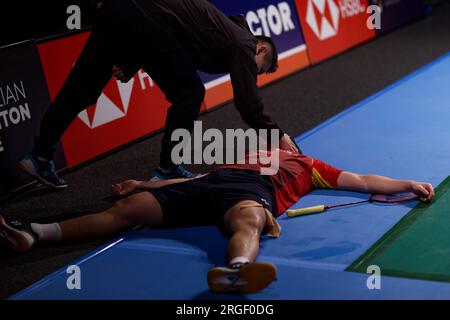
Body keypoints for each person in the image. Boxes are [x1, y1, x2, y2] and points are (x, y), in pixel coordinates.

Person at [1, 149, 434, 293]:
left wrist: (407, 182)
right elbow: (203, 178)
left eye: (285, 139)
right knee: (122, 213)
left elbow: (360, 180)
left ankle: (236, 272)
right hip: (210, 186)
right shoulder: (244, 156)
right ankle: (35, 233)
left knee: (248, 220)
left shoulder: (307, 165)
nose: (280, 140)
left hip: (245, 195)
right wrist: (143, 184)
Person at [18, 0, 300, 189]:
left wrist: (131, 60)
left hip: (117, 11)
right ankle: (169, 167)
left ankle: (39, 155)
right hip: (139, 17)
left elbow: (169, 34)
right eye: (258, 70)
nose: (252, 73)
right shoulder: (244, 44)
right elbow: (247, 103)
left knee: (80, 91)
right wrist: (279, 135)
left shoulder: (218, 32)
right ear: (261, 50)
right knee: (190, 92)